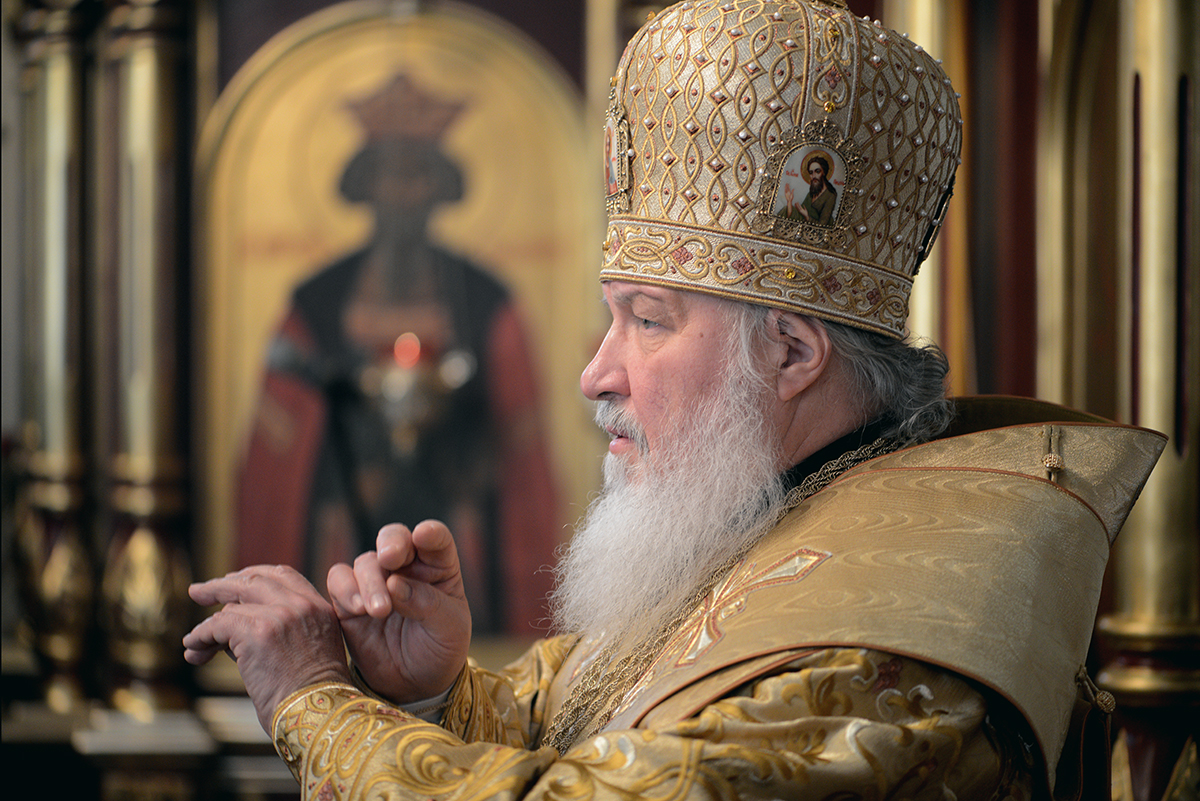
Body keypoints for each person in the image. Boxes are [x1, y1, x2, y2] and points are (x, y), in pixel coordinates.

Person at [185, 2, 1165, 798]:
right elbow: (595, 729)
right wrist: (438, 694)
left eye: (647, 321)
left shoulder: (885, 649)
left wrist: (315, 698)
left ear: (791, 352)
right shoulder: (772, 522)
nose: (595, 373)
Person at [235, 73, 561, 635]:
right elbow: (279, 455)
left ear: (441, 188)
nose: (404, 195)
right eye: (390, 175)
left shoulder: (485, 303)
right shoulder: (317, 303)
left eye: (418, 176)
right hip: (345, 514)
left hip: (452, 525)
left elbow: (519, 450)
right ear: (364, 185)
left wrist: (463, 460)